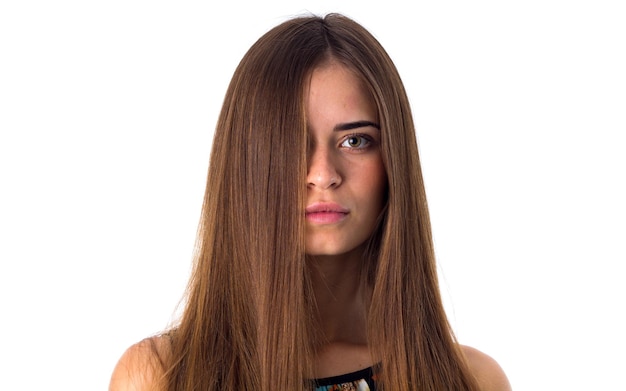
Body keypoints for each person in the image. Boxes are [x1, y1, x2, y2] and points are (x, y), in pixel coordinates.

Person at [109, 13, 511, 391]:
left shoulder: (471, 380)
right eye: (290, 143)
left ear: (394, 162)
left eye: (355, 141)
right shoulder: (162, 376)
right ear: (245, 164)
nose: (323, 174)